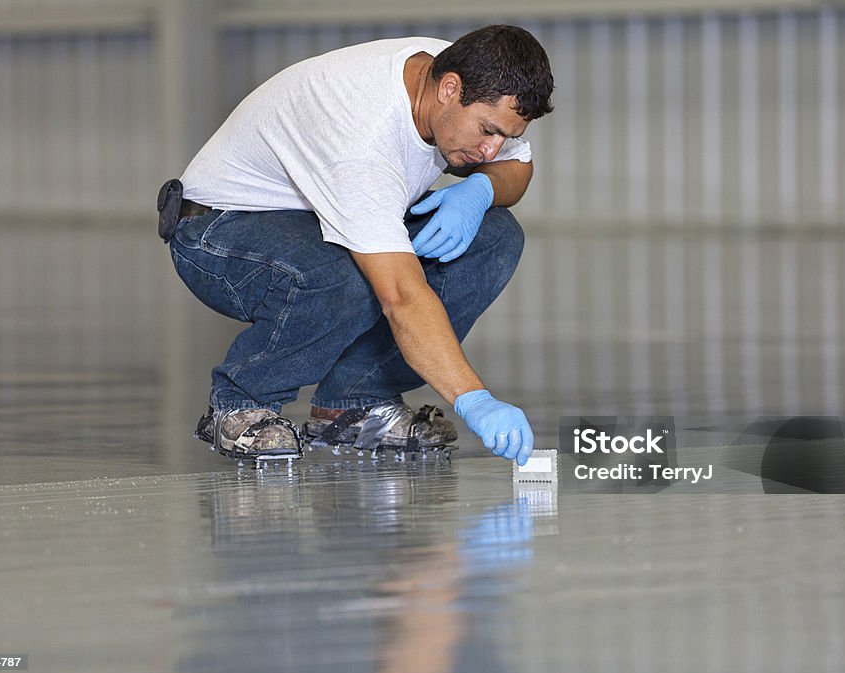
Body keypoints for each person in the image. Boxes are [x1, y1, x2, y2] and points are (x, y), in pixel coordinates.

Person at [165, 25, 554, 466]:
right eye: (487, 131)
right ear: (449, 89)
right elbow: (402, 298)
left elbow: (518, 169)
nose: (491, 149)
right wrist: (474, 399)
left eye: (504, 134)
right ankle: (239, 403)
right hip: (219, 230)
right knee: (341, 275)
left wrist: (482, 188)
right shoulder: (362, 135)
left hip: (314, 215)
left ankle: (354, 404)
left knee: (495, 236)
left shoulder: (464, 71)